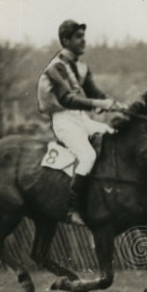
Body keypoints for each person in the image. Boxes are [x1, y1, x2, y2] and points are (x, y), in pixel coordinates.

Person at [37, 19, 125, 224]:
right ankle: (72, 207)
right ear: (65, 40)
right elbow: (68, 99)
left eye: (83, 37)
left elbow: (96, 93)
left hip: (81, 118)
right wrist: (100, 103)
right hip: (64, 120)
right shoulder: (56, 67)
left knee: (112, 135)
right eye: (78, 37)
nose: (83, 41)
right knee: (87, 156)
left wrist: (116, 105)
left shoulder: (82, 66)